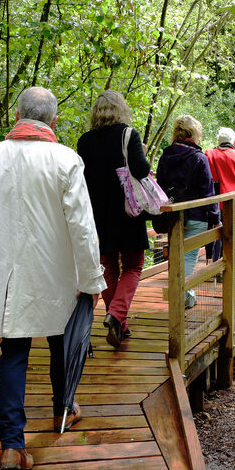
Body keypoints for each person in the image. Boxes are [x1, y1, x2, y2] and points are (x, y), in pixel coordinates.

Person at [0, 87, 107, 470]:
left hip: (10, 274)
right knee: (61, 344)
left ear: (18, 114)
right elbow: (82, 226)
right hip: (57, 272)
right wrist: (92, 278)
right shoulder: (65, 159)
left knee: (14, 354)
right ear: (54, 120)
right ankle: (63, 408)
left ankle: (13, 445)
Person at [77, 90, 148, 349]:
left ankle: (120, 324)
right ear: (121, 110)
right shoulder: (129, 135)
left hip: (98, 213)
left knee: (108, 266)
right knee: (133, 266)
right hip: (127, 212)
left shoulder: (84, 141)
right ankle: (116, 315)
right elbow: (141, 170)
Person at [156, 115, 219, 309]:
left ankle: (185, 295)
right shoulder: (199, 158)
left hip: (173, 213)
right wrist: (215, 217)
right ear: (194, 134)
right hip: (197, 214)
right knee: (189, 256)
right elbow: (208, 191)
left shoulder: (166, 156)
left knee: (177, 254)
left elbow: (160, 186)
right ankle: (181, 297)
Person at [205, 127, 235, 261]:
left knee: (217, 237)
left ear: (219, 140)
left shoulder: (209, 154)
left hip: (215, 203)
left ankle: (216, 267)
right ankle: (231, 271)